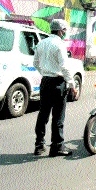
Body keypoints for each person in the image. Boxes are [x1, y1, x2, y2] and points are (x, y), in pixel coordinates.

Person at [33, 19, 77, 157]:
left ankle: (39, 145)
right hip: (58, 83)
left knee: (43, 114)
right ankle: (57, 146)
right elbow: (64, 66)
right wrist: (71, 84)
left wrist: (45, 74)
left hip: (45, 82)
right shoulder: (59, 45)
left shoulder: (41, 43)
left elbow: (35, 63)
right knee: (58, 116)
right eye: (64, 30)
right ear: (60, 30)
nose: (65, 33)